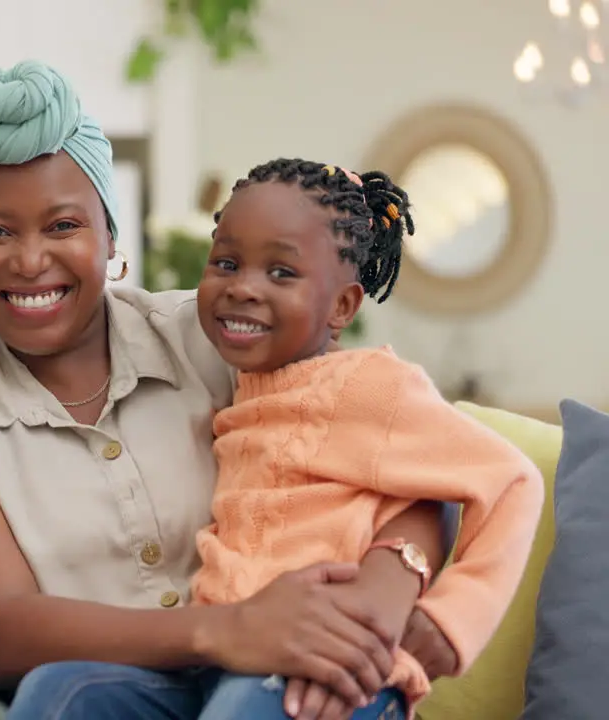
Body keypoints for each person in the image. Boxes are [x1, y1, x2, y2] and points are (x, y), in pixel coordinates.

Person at [0, 60, 468, 720]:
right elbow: (4, 633)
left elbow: (415, 465)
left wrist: (385, 592)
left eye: (63, 226)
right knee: (54, 691)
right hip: (116, 698)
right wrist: (226, 631)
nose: (29, 259)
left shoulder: (221, 334)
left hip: (282, 684)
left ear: (111, 240)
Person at [178, 159, 544, 720]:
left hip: (331, 675)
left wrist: (455, 618)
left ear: (342, 307)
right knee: (76, 690)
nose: (243, 288)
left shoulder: (369, 387)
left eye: (281, 273)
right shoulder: (243, 382)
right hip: (227, 659)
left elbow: (513, 479)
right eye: (226, 263)